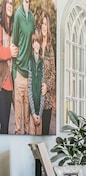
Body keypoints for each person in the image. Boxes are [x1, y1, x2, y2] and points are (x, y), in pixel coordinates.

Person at [11, 0, 34, 135]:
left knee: (27, 124)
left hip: (29, 75)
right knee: (18, 125)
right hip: (19, 73)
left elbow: (34, 42)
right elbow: (14, 43)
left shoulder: (31, 17)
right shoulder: (18, 15)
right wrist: (14, 73)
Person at [0, 0, 15, 134]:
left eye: (12, 3)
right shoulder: (0, 27)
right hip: (1, 82)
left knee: (5, 128)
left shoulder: (14, 30)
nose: (11, 5)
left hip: (11, 83)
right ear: (4, 6)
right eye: (8, 3)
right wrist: (9, 52)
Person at [40, 10, 54, 135]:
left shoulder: (50, 48)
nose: (44, 27)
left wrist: (46, 86)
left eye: (46, 24)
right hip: (36, 97)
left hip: (47, 100)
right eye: (42, 24)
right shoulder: (36, 45)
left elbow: (53, 73)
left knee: (45, 134)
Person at [28, 29, 43, 135]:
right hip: (32, 112)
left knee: (40, 140)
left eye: (38, 42)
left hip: (40, 112)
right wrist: (33, 113)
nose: (36, 44)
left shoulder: (42, 64)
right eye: (35, 42)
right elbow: (29, 88)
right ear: (32, 45)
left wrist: (40, 114)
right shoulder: (30, 62)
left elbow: (43, 90)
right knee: (31, 138)